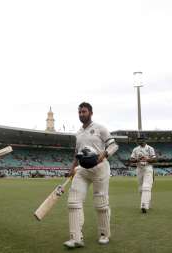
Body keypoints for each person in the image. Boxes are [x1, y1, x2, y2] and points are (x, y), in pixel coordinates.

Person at [63, 102, 118, 248]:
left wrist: (103, 155)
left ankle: (104, 234)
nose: (81, 114)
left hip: (100, 168)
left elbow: (114, 145)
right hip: (82, 169)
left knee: (101, 203)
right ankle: (76, 238)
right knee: (73, 201)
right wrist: (72, 169)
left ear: (91, 113)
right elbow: (77, 154)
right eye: (79, 112)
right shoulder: (78, 133)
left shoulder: (100, 128)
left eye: (84, 112)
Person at [130, 133, 156, 213]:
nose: (139, 140)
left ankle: (144, 205)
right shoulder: (135, 149)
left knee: (146, 186)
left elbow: (154, 160)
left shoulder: (150, 148)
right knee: (141, 188)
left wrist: (146, 159)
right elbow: (131, 159)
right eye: (138, 139)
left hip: (148, 168)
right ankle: (147, 203)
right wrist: (138, 159)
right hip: (139, 169)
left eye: (141, 139)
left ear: (145, 140)